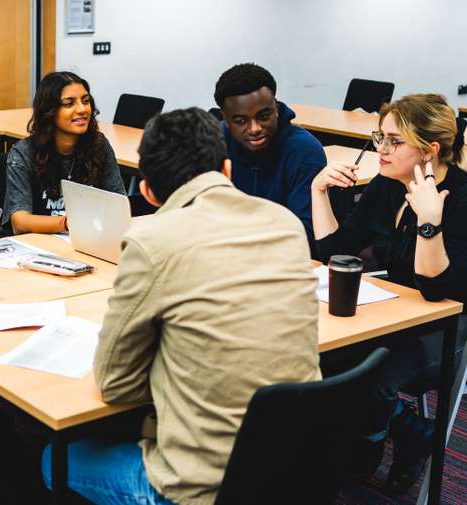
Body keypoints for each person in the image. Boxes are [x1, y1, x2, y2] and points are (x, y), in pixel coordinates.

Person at [40, 108, 321, 504]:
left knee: (56, 458)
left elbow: (116, 384)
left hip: (200, 488)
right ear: (227, 169)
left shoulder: (152, 240)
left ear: (149, 192)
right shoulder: (286, 224)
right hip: (293, 466)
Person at [311, 93, 467, 493]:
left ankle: (362, 457)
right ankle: (409, 430)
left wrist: (428, 221)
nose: (380, 151)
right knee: (329, 357)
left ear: (429, 150)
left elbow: (437, 288)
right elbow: (336, 253)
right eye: (379, 138)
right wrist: (318, 192)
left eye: (393, 141)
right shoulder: (387, 185)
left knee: (377, 372)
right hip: (414, 311)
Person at [213, 63, 326, 253]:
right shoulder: (215, 142)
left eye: (263, 116)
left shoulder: (305, 152)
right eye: (241, 121)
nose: (255, 128)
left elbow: (304, 235)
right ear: (225, 118)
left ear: (276, 108)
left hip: (284, 262)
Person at [2, 71, 126, 235]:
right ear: (49, 111)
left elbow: (118, 203)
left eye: (86, 101)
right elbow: (20, 222)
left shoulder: (98, 144)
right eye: (69, 103)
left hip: (86, 239)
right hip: (36, 244)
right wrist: (70, 223)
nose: (82, 109)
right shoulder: (23, 153)